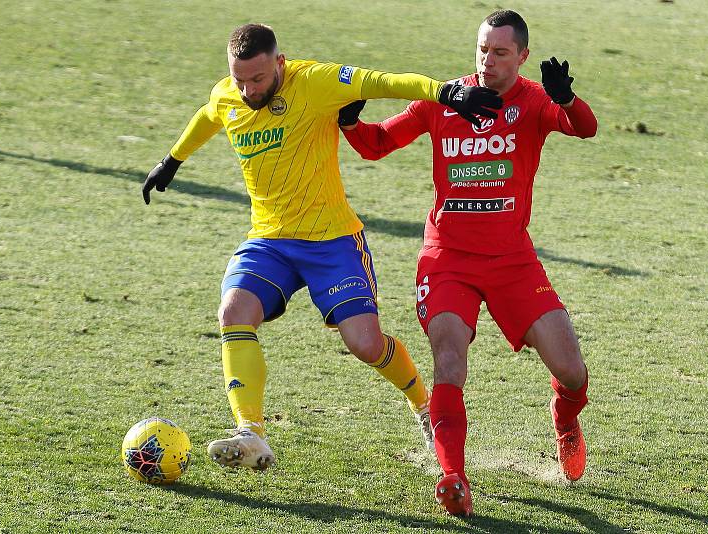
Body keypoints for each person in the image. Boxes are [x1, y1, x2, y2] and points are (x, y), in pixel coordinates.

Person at [141, 23, 502, 472]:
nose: (249, 89)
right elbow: (209, 114)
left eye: (258, 79)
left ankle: (423, 406)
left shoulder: (314, 82)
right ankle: (250, 433)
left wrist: (446, 94)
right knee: (234, 313)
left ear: (280, 63)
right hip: (270, 240)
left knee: (365, 344)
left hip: (332, 241)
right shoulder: (228, 94)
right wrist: (172, 160)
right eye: (240, 79)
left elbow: (382, 81)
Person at [339, 9, 597, 516]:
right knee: (449, 361)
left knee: (572, 372)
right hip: (447, 260)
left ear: (522, 57)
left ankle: (565, 421)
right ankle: (453, 477)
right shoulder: (445, 100)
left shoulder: (534, 101)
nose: (488, 60)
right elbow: (376, 144)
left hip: (513, 262)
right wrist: (349, 120)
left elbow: (583, 128)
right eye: (482, 49)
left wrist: (565, 97)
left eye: (500, 52)